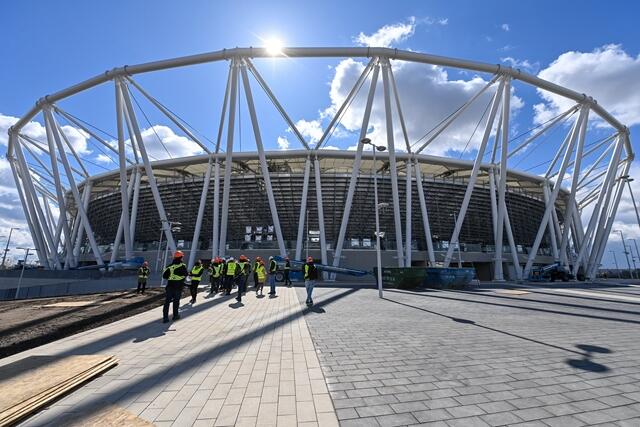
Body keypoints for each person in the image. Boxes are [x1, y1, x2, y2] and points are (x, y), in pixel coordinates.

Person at [162, 251, 188, 323]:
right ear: (181, 257)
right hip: (178, 287)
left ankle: (165, 318)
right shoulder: (183, 266)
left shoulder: (169, 266)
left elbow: (164, 276)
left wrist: (172, 277)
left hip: (170, 286)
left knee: (167, 302)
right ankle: (175, 316)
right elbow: (186, 274)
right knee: (176, 302)